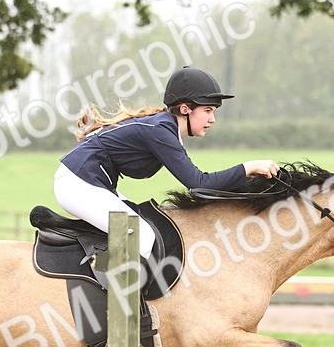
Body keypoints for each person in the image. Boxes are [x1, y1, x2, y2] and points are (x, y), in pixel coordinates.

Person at [54, 66, 279, 258]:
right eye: (208, 110)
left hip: (88, 183)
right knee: (139, 236)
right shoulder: (161, 131)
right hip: (78, 184)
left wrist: (247, 179)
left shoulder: (164, 127)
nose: (213, 119)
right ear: (185, 109)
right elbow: (199, 183)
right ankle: (119, 310)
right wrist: (247, 168)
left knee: (147, 227)